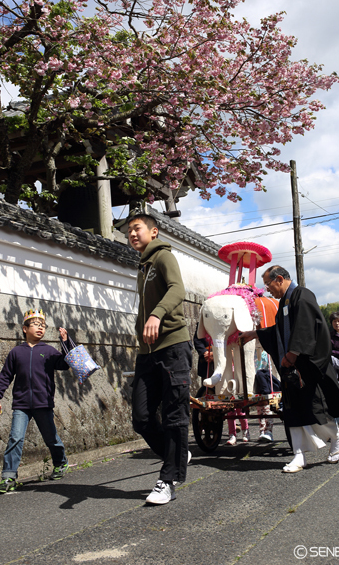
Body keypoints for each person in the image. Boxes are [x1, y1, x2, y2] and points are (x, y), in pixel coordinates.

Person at [240, 265, 339, 473]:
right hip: (292, 368)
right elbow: (280, 331)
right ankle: (298, 455)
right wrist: (256, 334)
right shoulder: (285, 303)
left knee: (314, 408)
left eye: (269, 284)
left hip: (306, 367)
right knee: (292, 412)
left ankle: (338, 437)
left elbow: (305, 329)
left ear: (279, 279)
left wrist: (292, 353)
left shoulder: (302, 296)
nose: (268, 290)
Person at [128, 206, 192, 505]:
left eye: (136, 227)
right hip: (147, 351)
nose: (131, 233)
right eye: (128, 230)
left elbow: (178, 290)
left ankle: (168, 479)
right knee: (141, 417)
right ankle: (176, 454)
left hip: (173, 346)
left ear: (154, 231)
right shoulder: (142, 266)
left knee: (174, 414)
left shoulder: (163, 256)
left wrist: (156, 315)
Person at [0, 309, 71, 494]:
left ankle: (60, 463)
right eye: (36, 325)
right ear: (25, 328)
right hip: (21, 405)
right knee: (15, 438)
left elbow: (65, 364)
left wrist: (65, 342)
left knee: (51, 438)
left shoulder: (49, 351)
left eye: (43, 326)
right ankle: (8, 477)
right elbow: (5, 377)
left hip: (43, 404)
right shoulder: (16, 352)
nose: (40, 328)